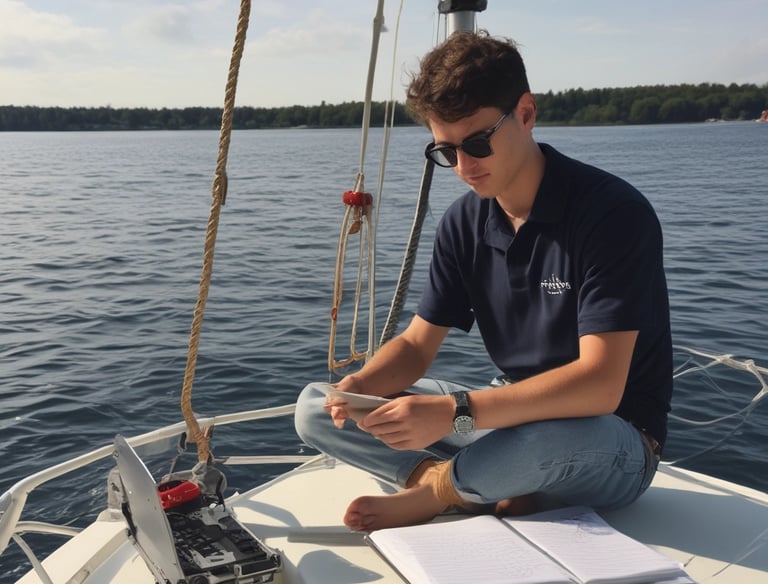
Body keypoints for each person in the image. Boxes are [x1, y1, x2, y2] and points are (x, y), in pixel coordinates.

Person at [294, 30, 672, 532]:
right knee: (316, 406)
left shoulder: (612, 214)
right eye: (446, 151)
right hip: (506, 416)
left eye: (477, 143)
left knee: (540, 442)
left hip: (610, 438)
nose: (465, 167)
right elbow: (415, 345)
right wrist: (360, 387)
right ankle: (466, 486)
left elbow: (601, 386)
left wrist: (454, 414)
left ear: (526, 114)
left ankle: (435, 492)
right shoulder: (463, 223)